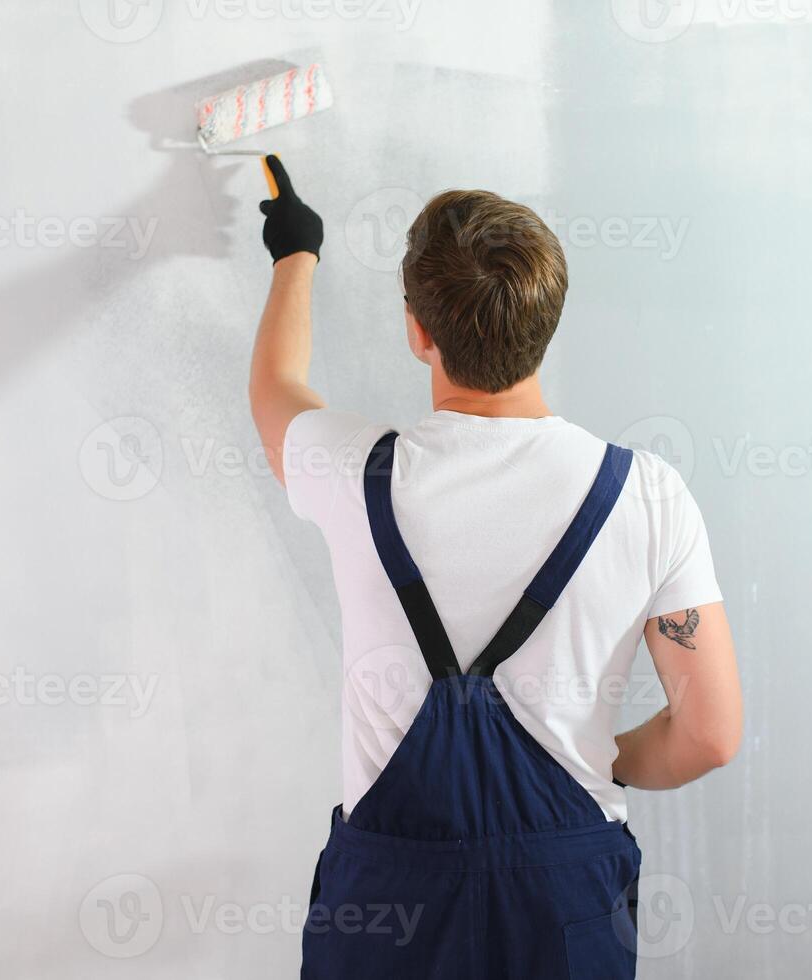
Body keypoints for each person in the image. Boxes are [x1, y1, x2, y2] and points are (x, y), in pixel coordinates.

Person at [247, 155, 743, 979]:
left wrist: (295, 252)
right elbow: (711, 735)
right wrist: (593, 759)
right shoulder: (646, 496)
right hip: (563, 904)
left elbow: (273, 388)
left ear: (417, 330)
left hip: (388, 909)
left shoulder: (354, 471)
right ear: (546, 321)